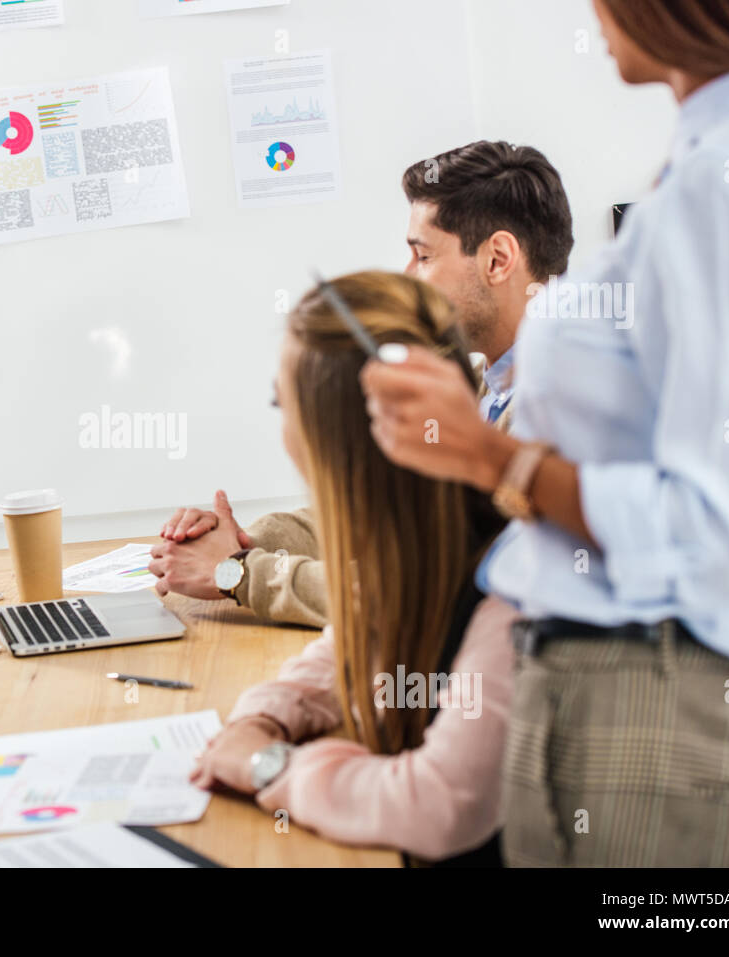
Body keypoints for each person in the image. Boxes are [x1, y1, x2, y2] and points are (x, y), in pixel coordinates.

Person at [359, 0, 729, 865]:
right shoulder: (719, 159)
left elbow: (718, 532)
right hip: (630, 716)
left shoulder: (727, 179)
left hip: (658, 728)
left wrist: (487, 456)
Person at [150, 141, 574, 627]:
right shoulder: (485, 387)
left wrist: (239, 573)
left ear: (498, 260)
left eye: (423, 255)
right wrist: (245, 541)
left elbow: (429, 591)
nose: (408, 275)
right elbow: (381, 511)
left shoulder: (563, 411)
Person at [189, 271, 517, 863]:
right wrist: (259, 721)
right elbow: (339, 659)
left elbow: (441, 806)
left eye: (279, 404)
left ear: (334, 437)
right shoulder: (415, 545)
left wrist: (271, 767)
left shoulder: (513, 580)